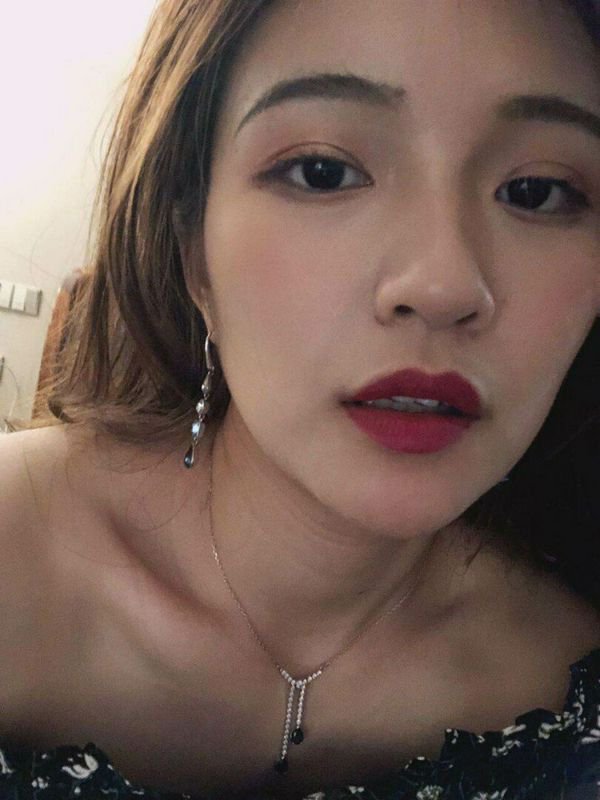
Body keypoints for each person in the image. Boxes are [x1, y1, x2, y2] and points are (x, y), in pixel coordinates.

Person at [1, 0, 600, 797]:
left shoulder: (567, 684)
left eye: (537, 191)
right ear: (192, 250)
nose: (444, 285)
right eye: (324, 172)